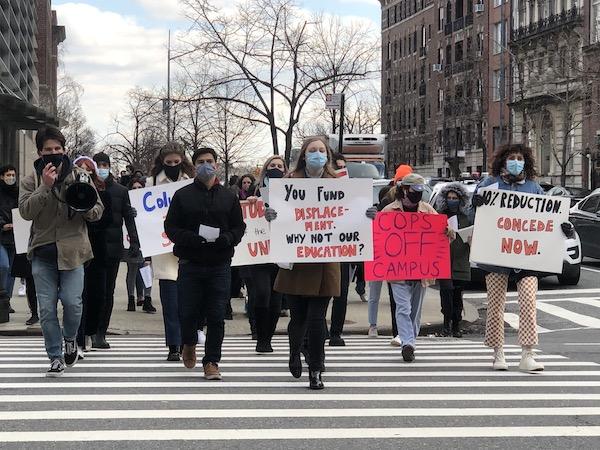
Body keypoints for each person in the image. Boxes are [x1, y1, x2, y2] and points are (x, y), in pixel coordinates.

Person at [472, 143, 573, 372]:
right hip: (496, 256)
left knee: (528, 302)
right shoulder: (489, 185)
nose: (516, 161)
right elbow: (473, 217)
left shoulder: (534, 189)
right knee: (496, 305)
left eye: (519, 157)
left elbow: (548, 220)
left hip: (527, 258)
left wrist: (564, 228)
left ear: (525, 161)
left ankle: (528, 353)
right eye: (511, 157)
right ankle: (498, 351)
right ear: (503, 161)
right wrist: (476, 204)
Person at [18, 126, 104, 377]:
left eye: (57, 149)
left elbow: (97, 211)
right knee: (46, 309)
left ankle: (70, 339)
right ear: (40, 152)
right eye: (48, 150)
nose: (53, 153)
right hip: (42, 250)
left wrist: (84, 206)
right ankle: (55, 356)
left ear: (65, 150)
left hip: (73, 251)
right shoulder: (29, 179)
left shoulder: (79, 175)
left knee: (72, 302)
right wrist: (44, 187)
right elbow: (25, 212)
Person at [266, 136, 341, 390]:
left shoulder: (339, 183)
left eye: (321, 150)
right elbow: (277, 215)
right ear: (304, 155)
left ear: (327, 155)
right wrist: (271, 214)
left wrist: (367, 214)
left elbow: (350, 214)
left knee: (318, 318)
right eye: (312, 150)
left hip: (325, 260)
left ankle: (316, 368)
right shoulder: (289, 182)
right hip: (296, 258)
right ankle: (294, 352)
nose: (317, 154)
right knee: (298, 317)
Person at [165, 147, 246, 380]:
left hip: (219, 263)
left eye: (209, 161)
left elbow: (239, 227)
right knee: (188, 312)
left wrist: (227, 239)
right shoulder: (183, 195)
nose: (205, 165)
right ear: (194, 166)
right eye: (201, 161)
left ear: (216, 165)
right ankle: (188, 342)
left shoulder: (229, 196)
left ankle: (211, 361)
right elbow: (171, 227)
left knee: (216, 315)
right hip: (191, 262)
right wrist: (190, 238)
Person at [377, 173, 453, 363]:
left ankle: (410, 339)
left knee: (415, 310)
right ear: (404, 189)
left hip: (422, 270)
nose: (417, 194)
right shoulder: (389, 211)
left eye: (421, 191)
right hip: (398, 269)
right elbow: (378, 238)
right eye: (414, 190)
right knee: (402, 307)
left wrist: (447, 232)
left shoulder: (428, 211)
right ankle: (407, 344)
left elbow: (445, 239)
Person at [147, 142, 195, 361]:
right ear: (162, 163)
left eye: (177, 162)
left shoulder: (192, 182)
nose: (173, 166)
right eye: (169, 163)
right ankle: (174, 344)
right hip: (163, 247)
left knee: (188, 299)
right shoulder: (151, 183)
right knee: (170, 300)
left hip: (189, 247)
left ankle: (188, 340)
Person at [90, 152, 141, 348]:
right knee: (90, 291)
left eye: (105, 164)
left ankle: (101, 332)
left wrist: (135, 241)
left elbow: (128, 217)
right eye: (98, 164)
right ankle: (89, 329)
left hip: (112, 248)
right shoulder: (87, 188)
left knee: (107, 292)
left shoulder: (120, 190)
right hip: (91, 247)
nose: (102, 168)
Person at [245, 156, 287, 353]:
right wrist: (252, 203)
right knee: (262, 294)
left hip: (282, 253)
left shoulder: (293, 193)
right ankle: (260, 335)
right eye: (272, 166)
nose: (276, 168)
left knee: (276, 299)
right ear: (265, 169)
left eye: (280, 166)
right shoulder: (255, 191)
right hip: (261, 254)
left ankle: (268, 337)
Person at [367, 164, 413, 342]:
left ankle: (398, 331)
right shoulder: (387, 201)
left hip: (399, 254)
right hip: (382, 251)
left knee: (398, 295)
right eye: (402, 181)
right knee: (376, 291)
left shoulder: (416, 203)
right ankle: (373, 325)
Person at [72, 156, 112, 355]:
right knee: (79, 295)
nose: (84, 171)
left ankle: (90, 331)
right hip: (77, 249)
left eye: (88, 168)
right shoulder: (69, 190)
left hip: (98, 250)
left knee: (97, 295)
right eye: (80, 167)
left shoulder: (103, 192)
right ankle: (78, 337)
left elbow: (108, 219)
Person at [434, 182, 472, 337]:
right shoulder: (439, 217)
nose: (452, 200)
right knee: (446, 293)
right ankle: (446, 324)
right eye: (449, 198)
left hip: (461, 261)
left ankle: (456, 325)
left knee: (457, 295)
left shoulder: (466, 218)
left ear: (460, 199)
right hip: (443, 261)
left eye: (455, 198)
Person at [124, 177, 153, 311]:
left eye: (139, 188)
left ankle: (147, 298)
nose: (136, 190)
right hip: (131, 241)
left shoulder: (149, 203)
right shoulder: (126, 204)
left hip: (147, 241)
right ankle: (131, 298)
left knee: (146, 269)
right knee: (132, 270)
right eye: (134, 188)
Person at [0, 165, 18, 313]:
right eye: (8, 175)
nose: (11, 178)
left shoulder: (18, 193)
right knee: (4, 266)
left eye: (13, 175)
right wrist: (2, 225)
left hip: (15, 237)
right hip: (2, 235)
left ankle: (6, 302)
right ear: (2, 177)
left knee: (12, 272)